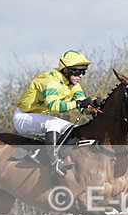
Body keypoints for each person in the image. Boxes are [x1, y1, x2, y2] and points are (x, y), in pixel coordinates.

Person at [13, 50, 101, 178]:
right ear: (66, 70)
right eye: (77, 72)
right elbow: (53, 106)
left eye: (84, 72)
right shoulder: (50, 81)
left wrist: (94, 105)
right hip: (23, 117)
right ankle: (54, 163)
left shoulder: (74, 85)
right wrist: (78, 104)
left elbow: (84, 108)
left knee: (75, 129)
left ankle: (50, 156)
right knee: (52, 124)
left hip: (40, 117)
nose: (81, 76)